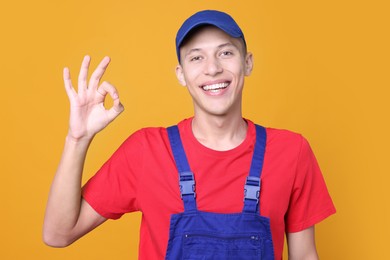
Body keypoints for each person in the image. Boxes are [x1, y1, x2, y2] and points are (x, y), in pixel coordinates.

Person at [43, 10, 335, 259]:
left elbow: (305, 255)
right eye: (196, 58)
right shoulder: (147, 151)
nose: (213, 68)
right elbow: (58, 233)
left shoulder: (291, 152)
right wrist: (77, 139)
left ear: (247, 63)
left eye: (226, 52)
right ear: (181, 74)